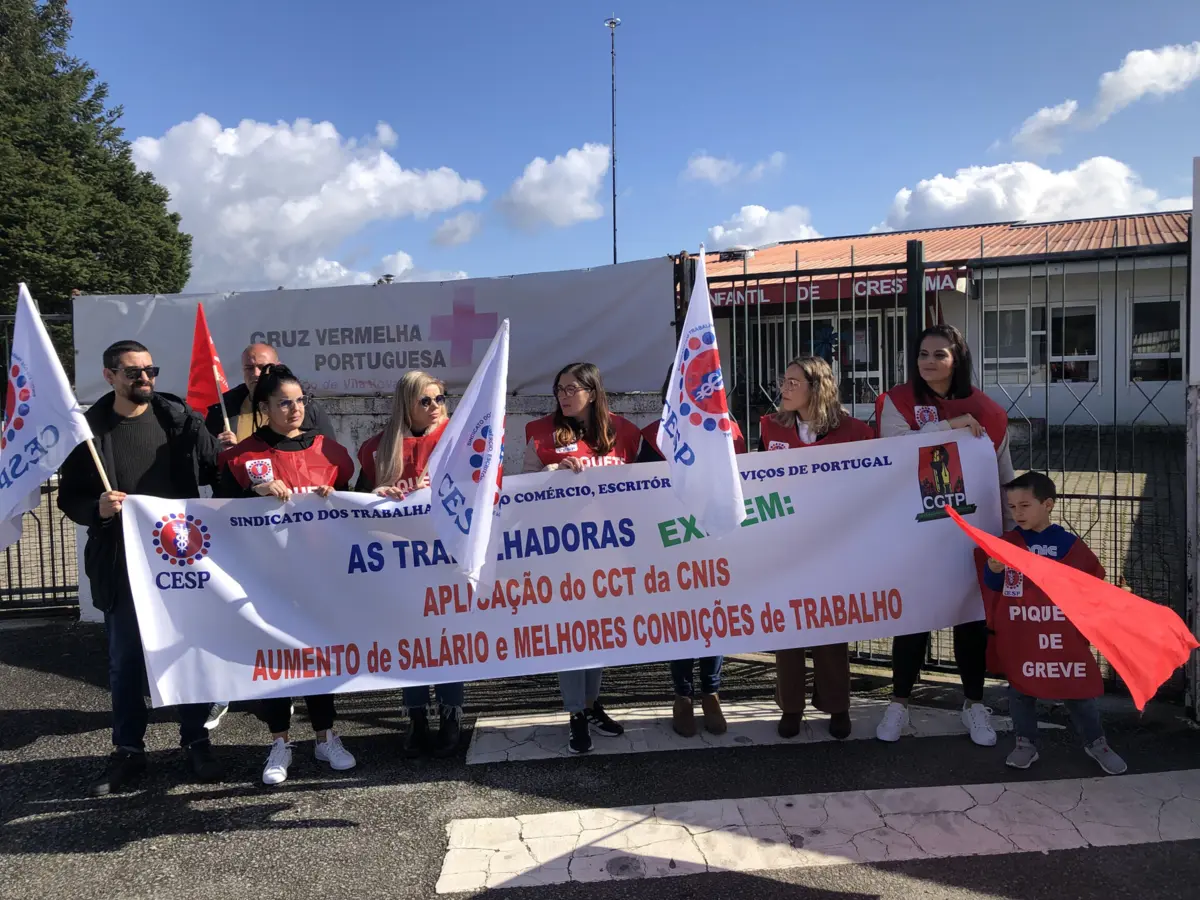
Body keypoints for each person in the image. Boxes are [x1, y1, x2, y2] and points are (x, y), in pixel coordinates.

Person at [58, 340, 224, 796]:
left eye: (150, 369)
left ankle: (196, 740)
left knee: (189, 653)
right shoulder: (89, 431)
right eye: (133, 372)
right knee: (127, 661)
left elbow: (216, 470)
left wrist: (235, 456)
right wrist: (99, 508)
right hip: (121, 563)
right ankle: (128, 751)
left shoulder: (179, 420)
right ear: (109, 375)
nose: (145, 378)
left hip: (179, 560)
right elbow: (68, 497)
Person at [873, 324, 1015, 747]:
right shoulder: (898, 402)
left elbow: (1002, 477)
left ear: (958, 359)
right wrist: (949, 428)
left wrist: (1006, 535)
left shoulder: (988, 411)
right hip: (915, 531)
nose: (929, 362)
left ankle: (974, 704)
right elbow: (891, 453)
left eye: (940, 354)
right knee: (913, 620)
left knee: (971, 620)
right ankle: (898, 703)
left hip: (971, 531)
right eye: (922, 355)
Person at [217, 363, 357, 785]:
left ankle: (326, 736)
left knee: (320, 656)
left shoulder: (331, 452)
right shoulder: (243, 457)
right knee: (277, 660)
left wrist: (338, 498)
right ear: (264, 407)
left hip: (322, 575)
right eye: (284, 403)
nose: (294, 409)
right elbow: (217, 517)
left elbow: (358, 501)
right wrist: (251, 493)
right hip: (268, 579)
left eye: (300, 401)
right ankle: (279, 742)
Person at [521, 362, 641, 754]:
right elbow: (521, 490)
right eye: (559, 389)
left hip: (610, 550)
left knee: (599, 633)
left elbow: (642, 487)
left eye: (572, 388)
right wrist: (551, 472)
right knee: (573, 636)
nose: (564, 395)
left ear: (593, 391)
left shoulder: (624, 433)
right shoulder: (540, 433)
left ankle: (591, 706)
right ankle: (575, 713)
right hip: (563, 554)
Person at [977, 472, 1127, 775]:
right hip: (1023, 635)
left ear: (1048, 505)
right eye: (1012, 507)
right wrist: (992, 568)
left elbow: (1091, 582)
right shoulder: (1009, 542)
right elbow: (994, 585)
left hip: (1062, 636)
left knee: (1078, 691)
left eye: (1025, 505)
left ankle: (1096, 742)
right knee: (1020, 691)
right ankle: (1025, 743)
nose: (1017, 513)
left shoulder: (1068, 544)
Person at [760, 356, 874, 741]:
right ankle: (790, 707)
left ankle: (837, 705)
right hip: (784, 546)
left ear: (817, 387)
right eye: (784, 380)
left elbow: (873, 483)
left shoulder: (856, 431)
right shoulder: (769, 426)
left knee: (830, 626)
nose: (784, 388)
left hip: (834, 546)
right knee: (788, 628)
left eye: (793, 382)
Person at [355, 371, 463, 758]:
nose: (435, 407)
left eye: (440, 398)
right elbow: (355, 505)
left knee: (448, 639)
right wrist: (376, 493)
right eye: (426, 401)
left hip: (445, 557)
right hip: (400, 561)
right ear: (406, 405)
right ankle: (416, 715)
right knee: (411, 640)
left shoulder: (459, 441)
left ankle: (452, 714)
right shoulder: (376, 449)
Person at [638, 366, 747, 738]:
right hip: (672, 543)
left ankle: (711, 691)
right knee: (683, 618)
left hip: (716, 541)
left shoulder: (728, 429)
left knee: (714, 614)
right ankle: (682, 694)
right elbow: (637, 493)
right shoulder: (653, 436)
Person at [205, 343, 336, 449]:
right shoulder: (223, 409)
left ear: (277, 367)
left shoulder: (306, 407)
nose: (256, 374)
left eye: (262, 367)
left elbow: (330, 455)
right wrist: (222, 453)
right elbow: (207, 470)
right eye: (249, 368)